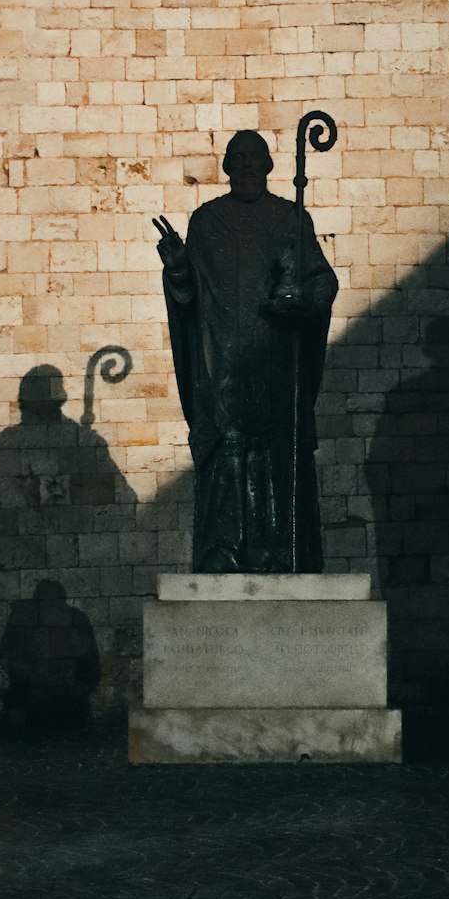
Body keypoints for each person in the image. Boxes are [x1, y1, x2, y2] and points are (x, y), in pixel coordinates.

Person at [153, 129, 338, 572]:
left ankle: (281, 554)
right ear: (228, 168)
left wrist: (303, 304)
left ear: (271, 166)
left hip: (276, 363)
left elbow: (321, 279)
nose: (249, 167)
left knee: (277, 462)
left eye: (257, 160)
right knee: (227, 460)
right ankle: (224, 552)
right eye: (239, 160)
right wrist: (178, 267)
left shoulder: (291, 220)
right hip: (223, 367)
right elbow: (189, 299)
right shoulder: (207, 221)